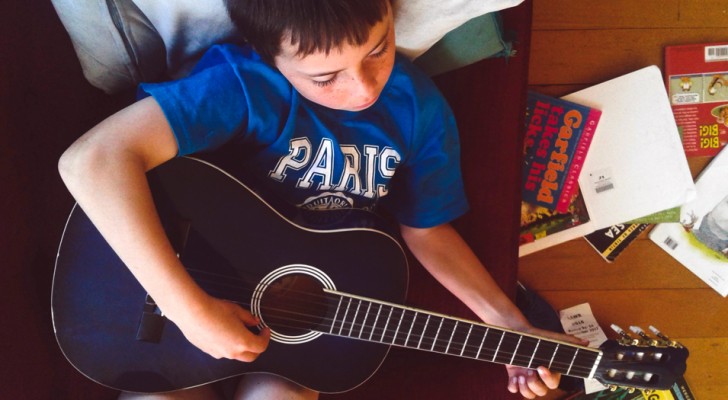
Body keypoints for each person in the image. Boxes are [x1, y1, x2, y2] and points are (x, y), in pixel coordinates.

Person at [58, 1, 584, 398]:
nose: (362, 90)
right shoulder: (242, 86)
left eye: (378, 49)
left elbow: (426, 228)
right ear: (271, 58)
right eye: (325, 77)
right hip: (160, 301)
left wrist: (511, 327)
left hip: (292, 329)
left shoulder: (418, 108)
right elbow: (91, 161)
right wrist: (187, 307)